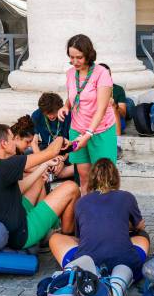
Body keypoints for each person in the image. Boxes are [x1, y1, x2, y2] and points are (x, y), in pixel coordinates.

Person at [0, 124, 80, 250]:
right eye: (12, 138)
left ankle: (48, 231)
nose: (15, 142)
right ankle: (65, 238)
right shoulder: (5, 166)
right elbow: (51, 152)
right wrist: (61, 139)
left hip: (8, 226)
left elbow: (19, 189)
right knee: (71, 187)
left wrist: (44, 165)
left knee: (39, 179)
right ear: (3, 144)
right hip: (21, 234)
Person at [49, 159, 149, 280]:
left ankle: (82, 272)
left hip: (86, 267)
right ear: (116, 177)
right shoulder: (127, 197)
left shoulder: (81, 202)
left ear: (92, 179)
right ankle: (120, 276)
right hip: (129, 266)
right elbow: (139, 226)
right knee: (142, 235)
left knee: (55, 237)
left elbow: (80, 237)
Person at [58, 34, 117, 194]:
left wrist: (89, 133)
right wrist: (65, 106)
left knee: (104, 179)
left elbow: (102, 108)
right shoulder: (71, 73)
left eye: (79, 57)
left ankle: (106, 213)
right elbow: (75, 95)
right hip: (77, 130)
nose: (75, 61)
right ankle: (86, 214)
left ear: (88, 55)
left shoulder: (101, 73)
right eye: (71, 57)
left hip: (100, 131)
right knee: (83, 177)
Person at [31, 93, 75, 179]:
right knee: (28, 159)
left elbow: (75, 143)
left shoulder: (68, 115)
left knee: (80, 161)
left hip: (67, 152)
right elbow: (34, 143)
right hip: (46, 151)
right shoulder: (37, 115)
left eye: (54, 113)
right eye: (47, 113)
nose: (51, 116)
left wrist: (62, 159)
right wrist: (44, 161)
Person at [98, 63, 128, 135]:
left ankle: (117, 144)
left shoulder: (118, 89)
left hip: (115, 118)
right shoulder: (91, 89)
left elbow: (123, 114)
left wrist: (115, 105)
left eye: (108, 75)